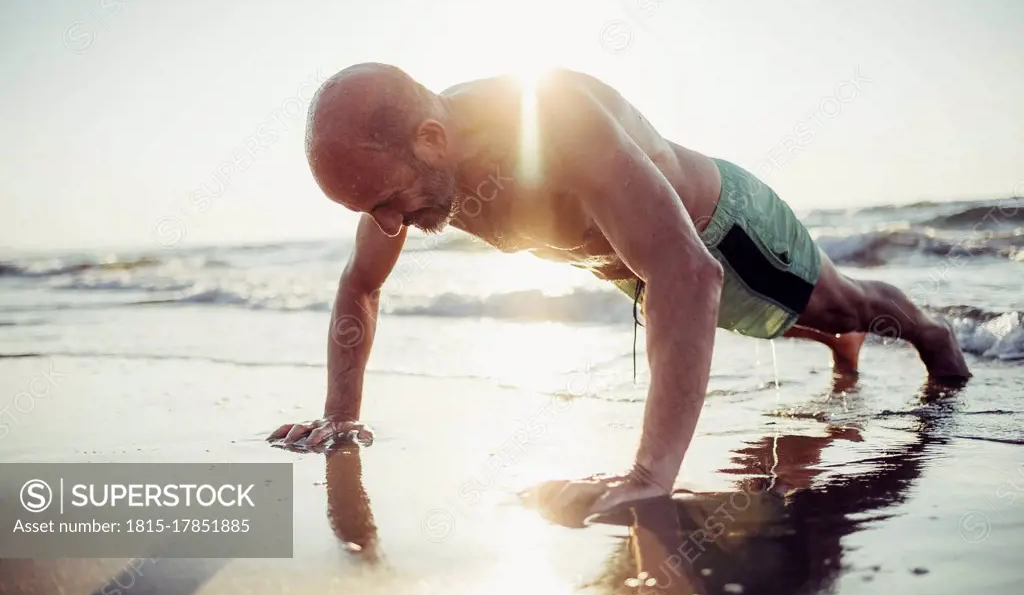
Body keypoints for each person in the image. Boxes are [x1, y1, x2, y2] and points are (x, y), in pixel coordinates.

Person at [267, 62, 971, 517]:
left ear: (430, 137)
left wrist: (649, 474)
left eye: (389, 201)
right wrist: (339, 414)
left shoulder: (552, 120)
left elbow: (690, 272)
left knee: (837, 302)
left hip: (722, 230)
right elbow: (360, 285)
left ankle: (930, 334)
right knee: (768, 322)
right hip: (638, 269)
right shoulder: (401, 176)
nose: (389, 223)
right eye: (370, 213)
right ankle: (832, 345)